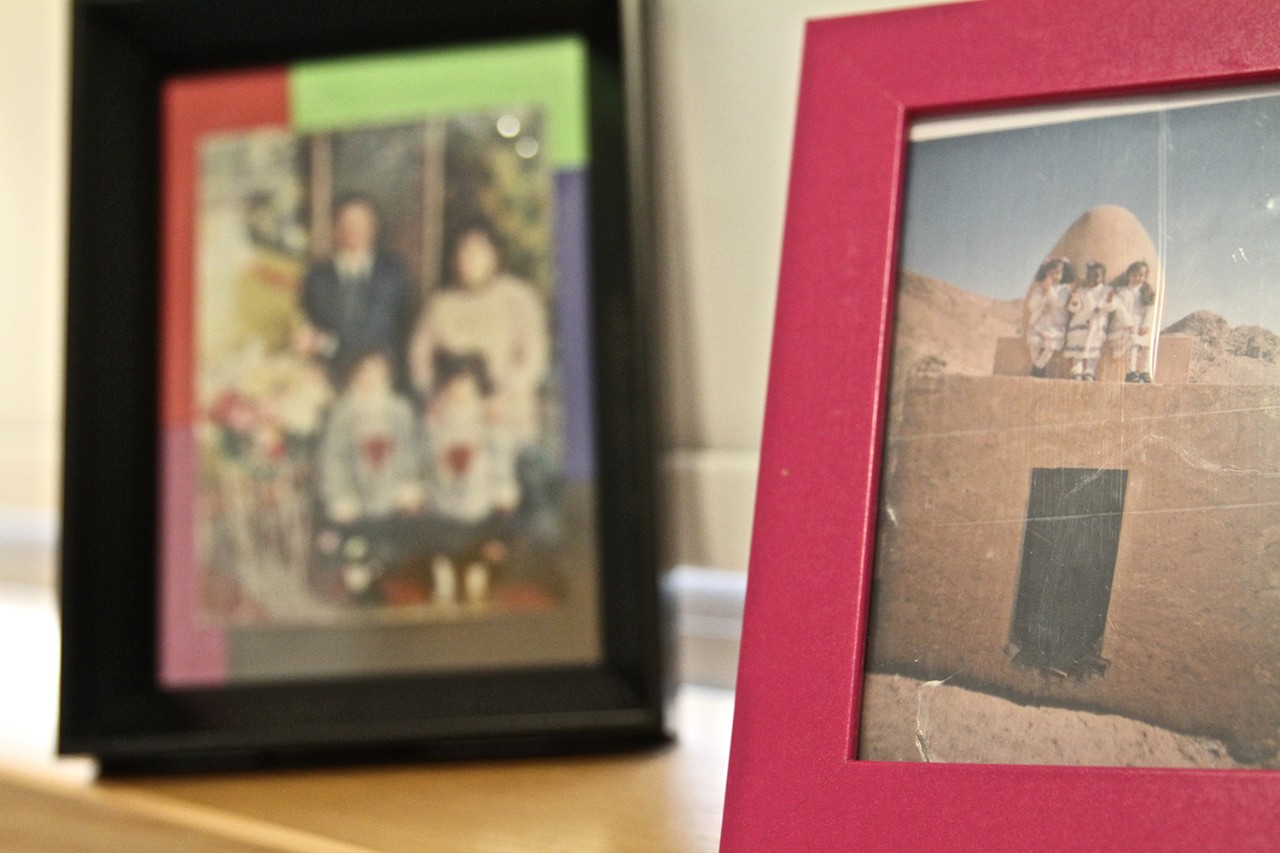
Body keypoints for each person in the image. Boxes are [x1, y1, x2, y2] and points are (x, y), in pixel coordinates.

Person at [407, 219, 549, 450]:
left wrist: (504, 398)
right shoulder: (440, 304)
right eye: (462, 250)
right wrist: (434, 395)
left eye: (478, 251)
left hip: (506, 413)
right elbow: (418, 359)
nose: (468, 258)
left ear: (495, 255)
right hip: (453, 414)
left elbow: (534, 359)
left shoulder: (519, 298)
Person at [297, 195, 412, 387]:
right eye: (347, 222)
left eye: (361, 223)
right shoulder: (316, 277)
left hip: (380, 377)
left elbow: (402, 330)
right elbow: (310, 329)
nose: (354, 229)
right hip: (329, 377)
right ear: (334, 228)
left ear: (374, 228)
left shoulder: (393, 273)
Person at [316, 349, 424, 525]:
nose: (370, 378)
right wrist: (339, 496)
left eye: (377, 371)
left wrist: (409, 485)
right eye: (364, 372)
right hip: (355, 503)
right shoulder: (342, 413)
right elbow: (332, 458)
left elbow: (411, 449)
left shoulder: (399, 410)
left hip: (396, 501)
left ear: (387, 374)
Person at [1063, 261, 1118, 381]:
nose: (1092, 278)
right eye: (1089, 276)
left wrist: (1108, 301)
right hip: (1080, 324)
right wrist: (1075, 301)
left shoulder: (1107, 290)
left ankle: (1089, 371)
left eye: (1096, 276)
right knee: (1078, 348)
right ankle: (1076, 370)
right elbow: (1074, 309)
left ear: (1103, 277)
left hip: (1096, 325)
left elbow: (1112, 307)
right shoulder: (1081, 291)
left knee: (1093, 349)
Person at [1023, 256, 1075, 377]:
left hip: (1054, 324)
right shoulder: (1039, 290)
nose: (1054, 276)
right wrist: (1042, 299)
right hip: (1039, 323)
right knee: (1034, 344)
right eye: (1051, 273)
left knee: (1049, 347)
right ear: (1046, 273)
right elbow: (1032, 305)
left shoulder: (1064, 288)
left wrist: (1050, 290)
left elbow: (1060, 303)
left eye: (1057, 273)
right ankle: (1038, 366)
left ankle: (1037, 368)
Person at [1107, 260, 1158, 383]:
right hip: (1124, 325)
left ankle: (1145, 371)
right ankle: (1131, 371)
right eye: (1134, 275)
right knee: (1133, 341)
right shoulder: (1121, 291)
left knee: (1147, 344)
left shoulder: (1146, 292)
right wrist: (1129, 324)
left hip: (1140, 325)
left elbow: (1149, 311)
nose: (1137, 278)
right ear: (1129, 275)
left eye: (1141, 275)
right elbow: (1121, 309)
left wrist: (1146, 325)